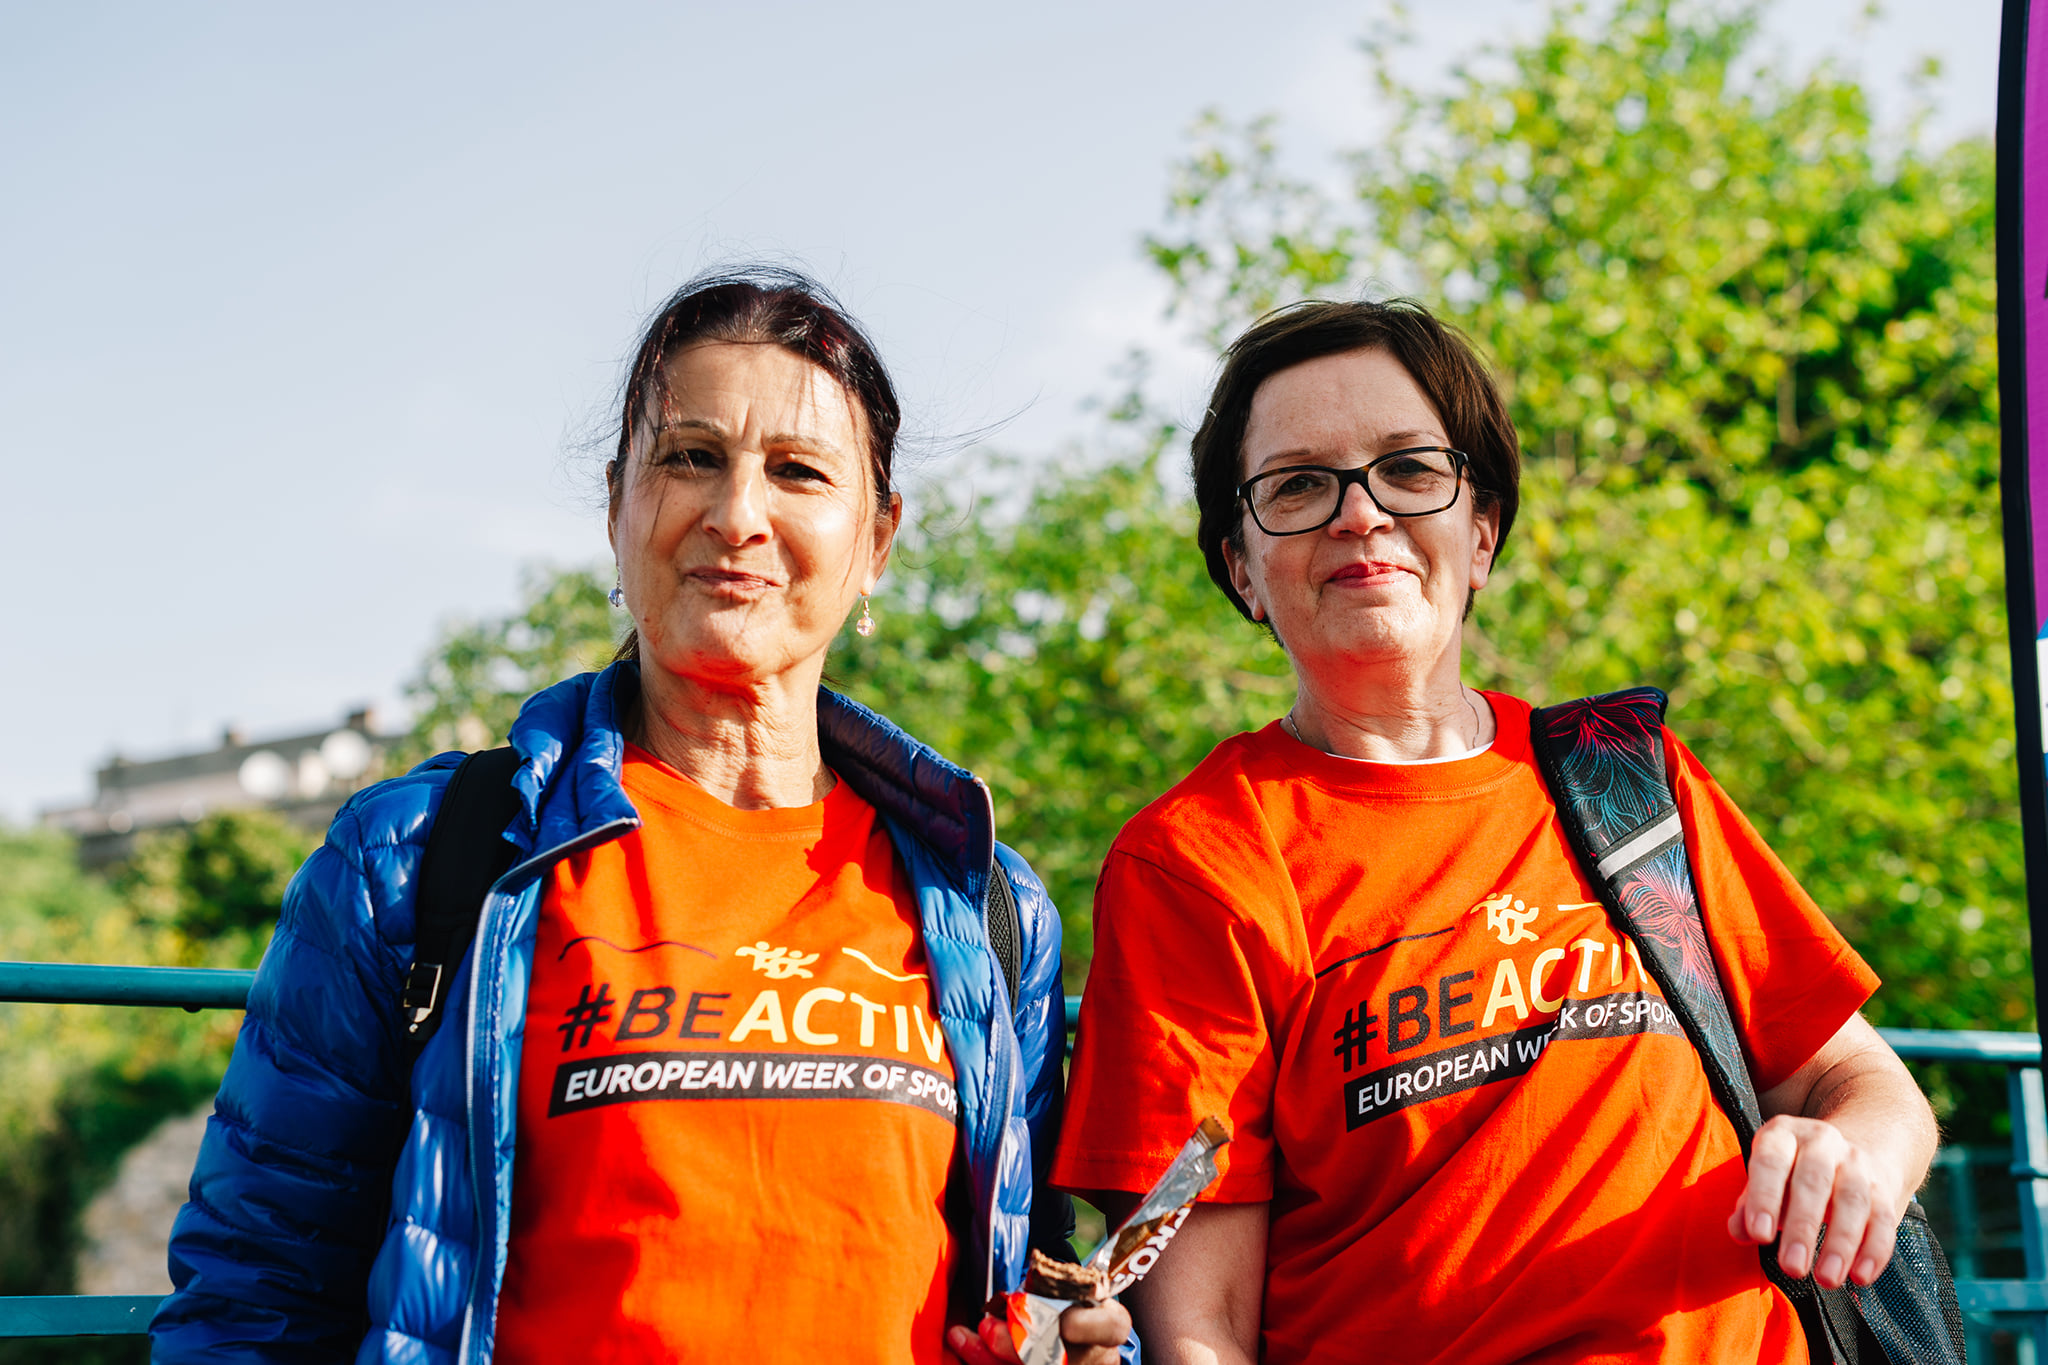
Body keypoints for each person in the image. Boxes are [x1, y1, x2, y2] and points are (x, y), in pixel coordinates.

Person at [150, 267, 1130, 1365]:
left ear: (878, 539)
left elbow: (1035, 1277)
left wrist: (1081, 1347)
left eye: (799, 471)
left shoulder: (985, 900)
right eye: (690, 458)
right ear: (618, 505)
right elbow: (255, 1294)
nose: (737, 516)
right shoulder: (419, 858)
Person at [1052, 298, 1937, 1364]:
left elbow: (1866, 1085)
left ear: (1479, 532)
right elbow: (1201, 1329)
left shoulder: (1627, 779)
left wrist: (1857, 1157)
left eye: (1407, 469)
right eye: (1297, 485)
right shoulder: (1196, 859)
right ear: (1240, 566)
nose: (1359, 514)